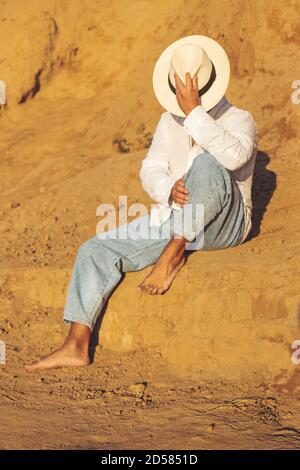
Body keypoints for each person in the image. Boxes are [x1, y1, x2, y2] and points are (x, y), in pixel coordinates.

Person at [25, 35, 258, 371]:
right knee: (95, 249)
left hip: (226, 224)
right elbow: (150, 168)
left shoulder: (240, 119)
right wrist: (168, 190)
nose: (181, 100)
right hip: (178, 214)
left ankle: (173, 254)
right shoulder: (169, 121)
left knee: (207, 163)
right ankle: (76, 344)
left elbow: (234, 158)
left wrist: (195, 113)